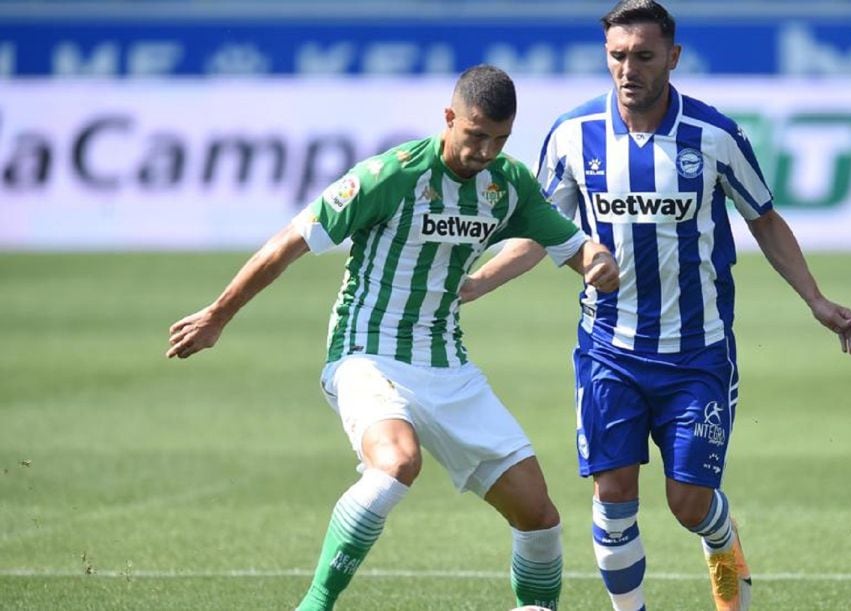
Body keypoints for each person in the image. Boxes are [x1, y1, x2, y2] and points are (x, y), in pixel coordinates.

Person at [166, 64, 619, 611]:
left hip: (447, 364)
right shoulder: (393, 174)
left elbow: (569, 242)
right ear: (449, 118)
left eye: (499, 139)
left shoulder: (508, 184)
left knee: (540, 518)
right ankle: (314, 605)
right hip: (366, 354)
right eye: (476, 135)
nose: (485, 151)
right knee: (397, 463)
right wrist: (219, 314)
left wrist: (596, 260)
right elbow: (293, 239)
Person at [460, 2, 851, 610]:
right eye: (617, 56)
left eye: (644, 56)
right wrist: (473, 285)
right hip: (608, 352)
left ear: (672, 58)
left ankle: (722, 544)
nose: (629, 69)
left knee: (689, 505)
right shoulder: (573, 136)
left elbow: (765, 219)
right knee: (613, 496)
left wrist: (815, 298)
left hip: (696, 354)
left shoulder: (715, 136)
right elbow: (541, 230)